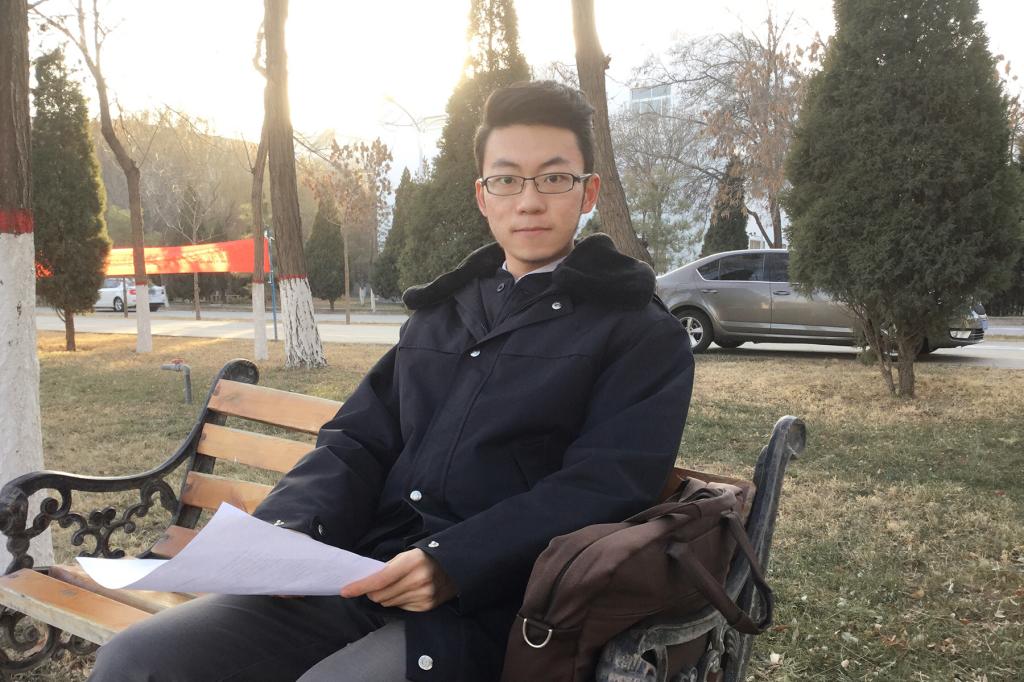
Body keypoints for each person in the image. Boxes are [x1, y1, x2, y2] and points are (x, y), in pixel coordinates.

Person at [89, 80, 694, 682]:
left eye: (554, 178)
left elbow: (603, 486)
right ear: (482, 196)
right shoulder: (443, 313)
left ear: (588, 191)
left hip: (495, 608)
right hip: (358, 572)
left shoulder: (638, 333)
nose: (529, 201)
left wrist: (453, 563)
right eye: (507, 179)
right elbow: (357, 440)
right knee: (137, 661)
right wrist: (290, 534)